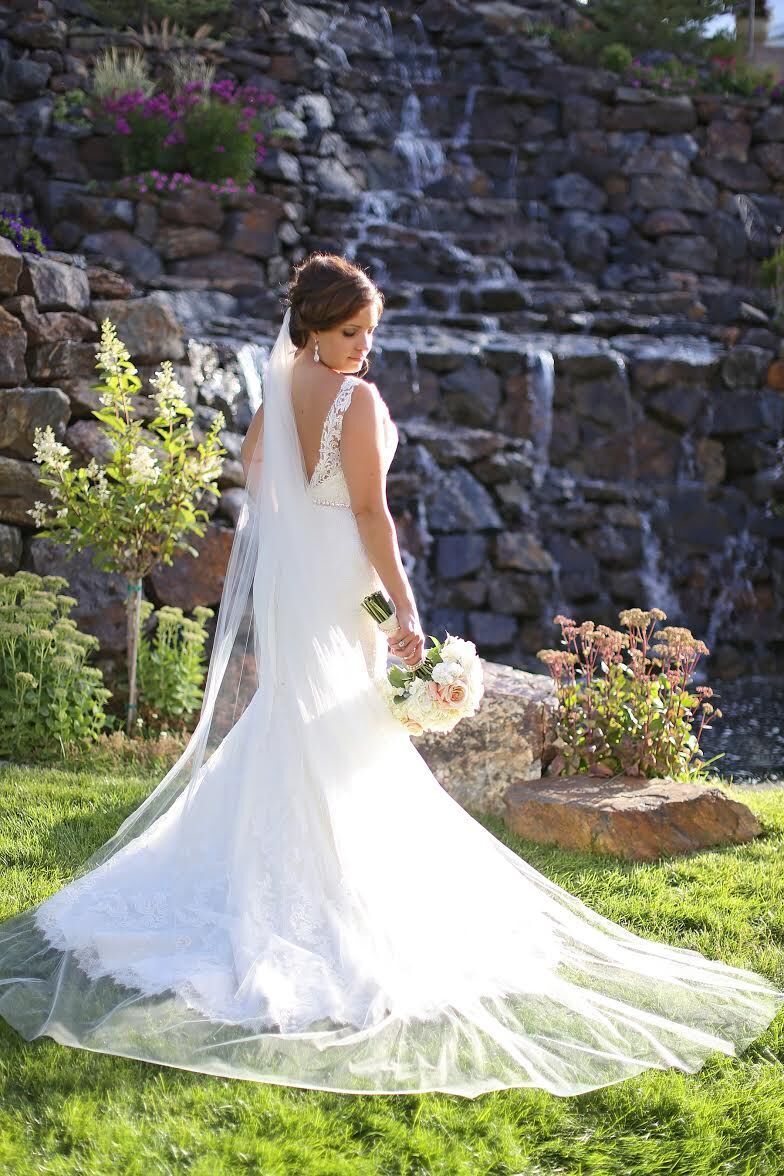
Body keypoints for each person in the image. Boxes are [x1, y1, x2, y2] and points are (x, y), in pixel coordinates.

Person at [0, 252, 782, 1100]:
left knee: (306, 721)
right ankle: (335, 891)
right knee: (341, 728)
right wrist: (403, 608)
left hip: (304, 580)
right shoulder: (355, 399)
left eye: (371, 331)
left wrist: (302, 533)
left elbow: (259, 475)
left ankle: (289, 869)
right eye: (349, 331)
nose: (364, 346)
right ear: (312, 325)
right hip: (346, 578)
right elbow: (373, 511)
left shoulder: (280, 382)